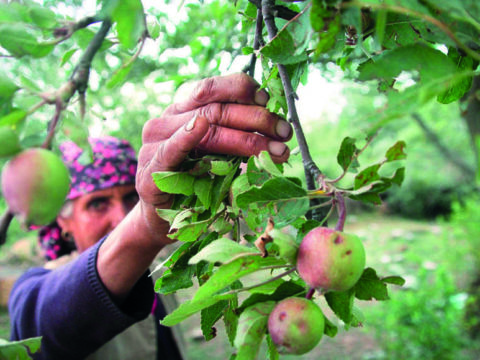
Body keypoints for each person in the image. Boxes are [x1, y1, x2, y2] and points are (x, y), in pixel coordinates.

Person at [8, 73, 292, 360]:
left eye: (131, 198)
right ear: (63, 220)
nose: (120, 216)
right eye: (97, 204)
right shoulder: (41, 288)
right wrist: (142, 226)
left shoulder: (157, 267)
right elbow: (36, 331)